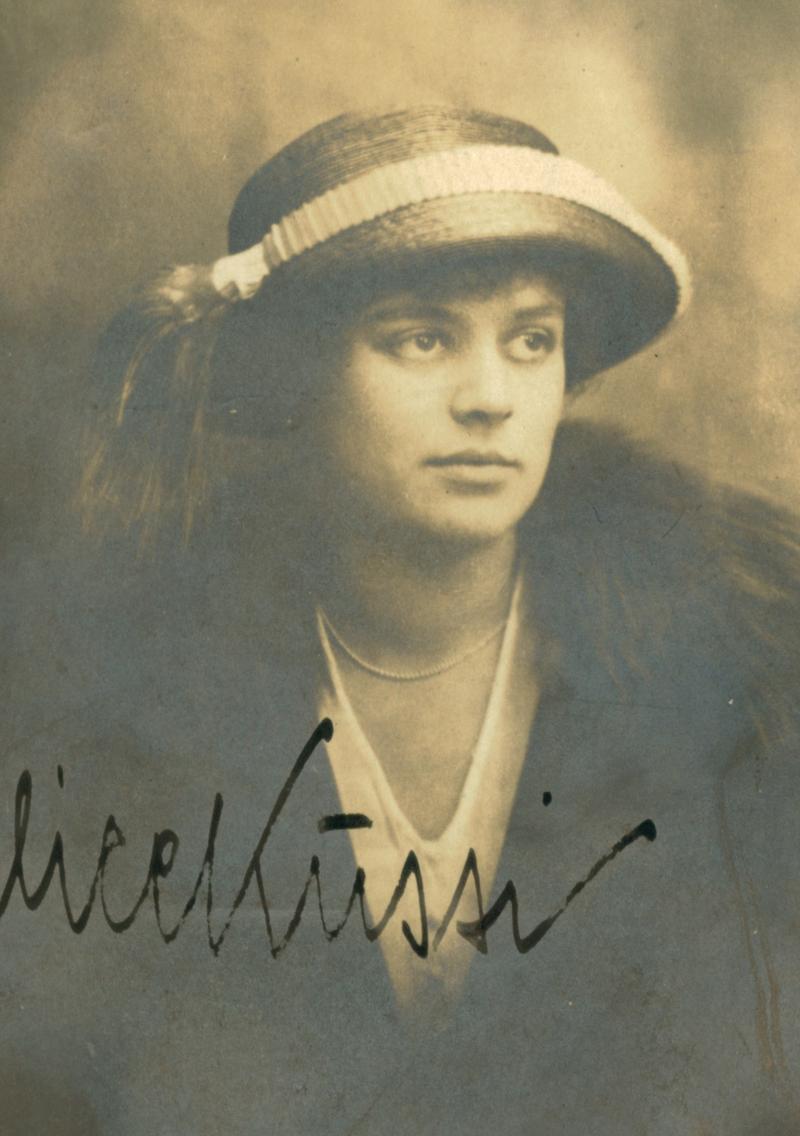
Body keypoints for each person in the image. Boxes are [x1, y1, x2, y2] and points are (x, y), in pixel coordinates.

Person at [11, 107, 800, 1133]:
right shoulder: (122, 714)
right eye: (420, 338)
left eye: (531, 340)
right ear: (295, 373)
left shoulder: (736, 679)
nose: (490, 398)